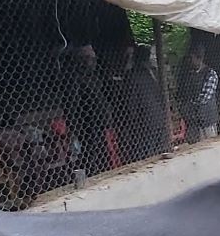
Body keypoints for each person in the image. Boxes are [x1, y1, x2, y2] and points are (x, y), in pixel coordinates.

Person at [67, 44, 114, 175]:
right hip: (87, 125)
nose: (92, 62)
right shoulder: (76, 79)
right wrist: (75, 128)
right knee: (91, 154)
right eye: (88, 58)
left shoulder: (94, 77)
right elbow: (73, 105)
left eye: (93, 58)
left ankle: (102, 172)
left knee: (102, 153)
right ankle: (92, 174)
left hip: (99, 123)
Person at [120, 46, 170, 162]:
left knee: (145, 153)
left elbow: (131, 101)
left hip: (144, 120)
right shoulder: (151, 72)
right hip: (158, 117)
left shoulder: (132, 75)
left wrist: (132, 121)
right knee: (157, 150)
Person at [176, 43, 219, 143]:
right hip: (191, 122)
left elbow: (204, 98)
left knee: (209, 146)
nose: (189, 61)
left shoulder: (210, 74)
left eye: (191, 58)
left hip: (206, 120)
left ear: (199, 58)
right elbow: (181, 93)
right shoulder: (187, 74)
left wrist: (188, 104)